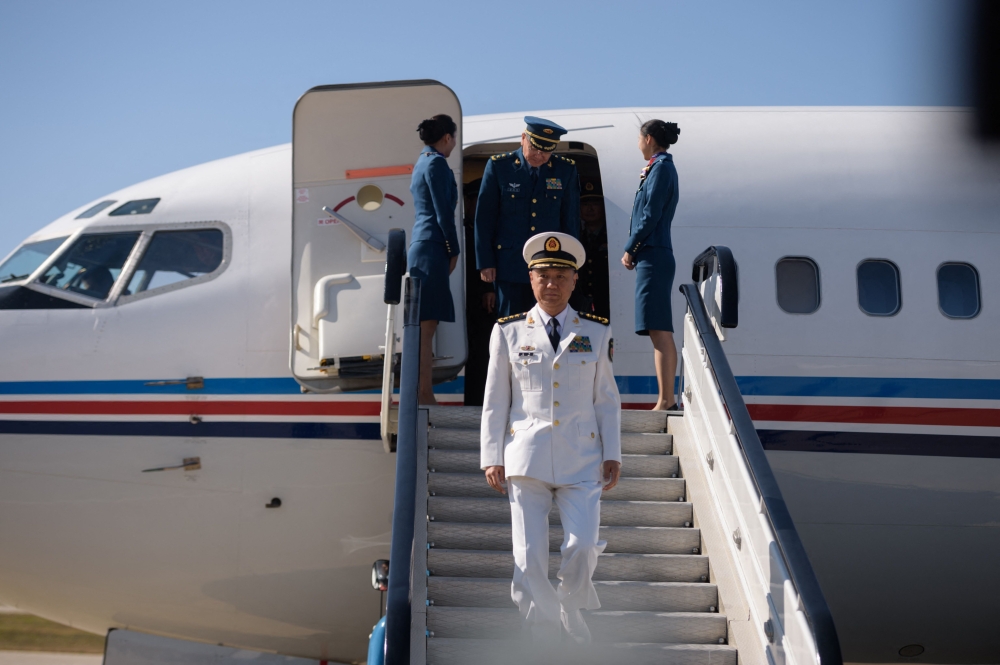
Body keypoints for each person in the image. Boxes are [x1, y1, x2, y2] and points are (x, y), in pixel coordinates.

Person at [481, 231, 621, 644]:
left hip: (582, 457)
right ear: (531, 279)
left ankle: (571, 607)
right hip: (527, 455)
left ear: (575, 280)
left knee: (582, 546)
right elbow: (495, 400)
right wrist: (492, 455)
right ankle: (541, 625)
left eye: (561, 275)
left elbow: (606, 399)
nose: (552, 283)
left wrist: (612, 452)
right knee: (528, 555)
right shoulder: (508, 331)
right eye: (543, 275)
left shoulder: (596, 332)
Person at [475, 117, 581, 317]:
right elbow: (485, 218)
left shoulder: (565, 170)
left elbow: (570, 220)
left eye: (546, 151)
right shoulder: (500, 166)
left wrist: (571, 263)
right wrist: (486, 261)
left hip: (549, 266)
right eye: (535, 148)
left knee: (547, 322)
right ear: (523, 138)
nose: (539, 156)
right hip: (509, 263)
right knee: (511, 323)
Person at [621, 119, 681, 411]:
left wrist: (631, 248)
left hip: (653, 254)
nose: (638, 143)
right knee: (656, 328)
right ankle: (665, 397)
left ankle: (666, 399)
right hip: (653, 254)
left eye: (639, 137)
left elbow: (650, 214)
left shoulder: (661, 169)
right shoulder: (659, 167)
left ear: (648, 139)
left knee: (659, 328)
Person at [409, 114, 459, 405]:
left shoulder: (421, 161)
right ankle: (424, 394)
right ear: (447, 138)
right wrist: (453, 248)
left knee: (424, 326)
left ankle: (423, 391)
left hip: (423, 243)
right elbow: (443, 212)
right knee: (426, 328)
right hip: (432, 246)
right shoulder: (437, 163)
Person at [577, 179, 610, 319]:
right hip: (581, 302)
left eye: (595, 204)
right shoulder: (576, 237)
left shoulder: (611, 238)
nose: (590, 209)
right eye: (585, 204)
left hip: (606, 302)